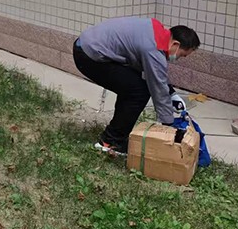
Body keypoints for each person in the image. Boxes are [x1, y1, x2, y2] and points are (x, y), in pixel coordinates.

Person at [73, 17, 201, 156]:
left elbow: (153, 73)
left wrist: (171, 93)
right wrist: (169, 126)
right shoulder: (153, 50)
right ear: (176, 44)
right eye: (182, 55)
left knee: (133, 86)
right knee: (138, 92)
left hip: (88, 45)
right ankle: (110, 142)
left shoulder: (155, 31)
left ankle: (114, 137)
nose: (179, 58)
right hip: (89, 57)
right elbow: (157, 89)